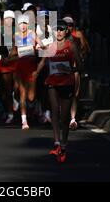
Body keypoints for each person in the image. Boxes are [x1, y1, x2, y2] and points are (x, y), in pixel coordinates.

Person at [35, 20, 82, 163]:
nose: (59, 32)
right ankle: (56, 143)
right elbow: (43, 62)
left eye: (62, 29)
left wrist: (69, 70)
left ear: (66, 31)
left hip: (67, 83)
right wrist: (36, 73)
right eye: (57, 29)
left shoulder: (71, 46)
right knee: (54, 111)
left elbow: (80, 65)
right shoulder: (50, 47)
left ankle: (64, 143)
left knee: (64, 117)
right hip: (52, 82)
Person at [14, 13, 42, 130]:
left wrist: (39, 48)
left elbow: (41, 45)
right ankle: (24, 120)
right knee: (23, 94)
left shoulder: (32, 34)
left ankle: (34, 108)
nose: (23, 26)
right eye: (21, 24)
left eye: (25, 23)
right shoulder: (16, 36)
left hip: (31, 68)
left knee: (31, 97)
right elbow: (13, 52)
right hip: (20, 67)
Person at [63, 16, 90, 129]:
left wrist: (80, 59)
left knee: (75, 94)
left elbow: (86, 48)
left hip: (74, 67)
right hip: (61, 68)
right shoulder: (57, 36)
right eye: (66, 25)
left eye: (70, 25)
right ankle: (63, 115)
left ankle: (73, 118)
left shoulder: (78, 35)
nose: (68, 27)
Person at [0, 10, 17, 124]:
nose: (8, 21)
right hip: (4, 62)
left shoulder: (18, 30)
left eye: (11, 18)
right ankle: (10, 113)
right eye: (7, 18)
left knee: (17, 89)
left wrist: (12, 56)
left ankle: (16, 101)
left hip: (15, 61)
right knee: (7, 90)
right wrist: (2, 56)